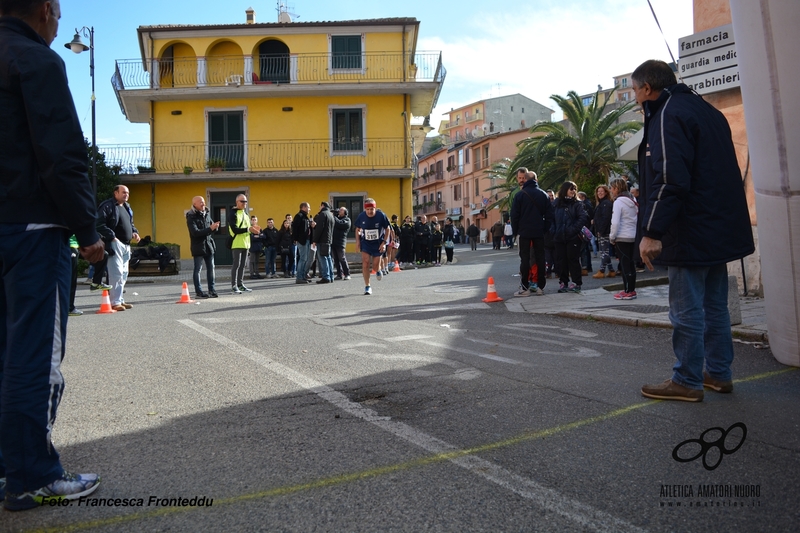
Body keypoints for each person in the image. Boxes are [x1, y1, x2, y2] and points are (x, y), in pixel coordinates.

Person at [0, 0, 106, 510]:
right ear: (44, 10)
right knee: (33, 357)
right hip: (33, 229)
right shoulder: (38, 60)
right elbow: (62, 155)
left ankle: (6, 468)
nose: (59, 23)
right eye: (59, 14)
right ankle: (32, 475)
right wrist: (86, 231)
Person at [632, 60, 755, 403]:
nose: (634, 98)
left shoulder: (668, 114)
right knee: (715, 307)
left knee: (686, 309)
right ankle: (718, 373)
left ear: (646, 89)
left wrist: (652, 231)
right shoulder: (706, 110)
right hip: (716, 228)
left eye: (633, 90)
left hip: (689, 230)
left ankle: (686, 379)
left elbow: (671, 178)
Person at [510, 169, 553, 296]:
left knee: (525, 259)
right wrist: (544, 228)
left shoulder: (520, 195)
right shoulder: (543, 194)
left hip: (524, 232)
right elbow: (550, 215)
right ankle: (540, 287)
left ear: (526, 180)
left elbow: (514, 215)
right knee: (540, 258)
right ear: (536, 180)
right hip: (539, 231)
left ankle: (524, 287)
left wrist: (516, 231)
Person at [96, 185, 140, 311]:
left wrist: (134, 232)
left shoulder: (127, 207)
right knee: (116, 274)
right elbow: (98, 224)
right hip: (115, 244)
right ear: (116, 193)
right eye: (124, 192)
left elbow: (130, 223)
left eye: (128, 193)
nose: (126, 195)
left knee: (124, 274)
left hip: (126, 244)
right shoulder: (108, 206)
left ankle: (119, 299)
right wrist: (112, 237)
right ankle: (114, 302)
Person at [552, 181, 588, 293]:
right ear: (565, 189)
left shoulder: (577, 204)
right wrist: (553, 231)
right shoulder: (555, 204)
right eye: (571, 189)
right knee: (561, 260)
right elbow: (550, 219)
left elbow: (582, 218)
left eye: (574, 189)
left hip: (573, 237)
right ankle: (563, 282)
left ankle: (577, 283)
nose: (573, 191)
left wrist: (572, 230)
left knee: (573, 259)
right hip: (559, 236)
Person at [608, 178, 638, 300]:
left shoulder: (618, 202)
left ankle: (627, 291)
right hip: (633, 235)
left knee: (624, 264)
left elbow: (615, 222)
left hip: (622, 236)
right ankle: (632, 289)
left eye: (611, 188)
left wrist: (612, 237)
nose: (610, 191)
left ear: (616, 188)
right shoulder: (633, 199)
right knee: (631, 264)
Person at [354, 198, 390, 295]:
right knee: (365, 263)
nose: (370, 211)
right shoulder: (361, 216)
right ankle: (367, 286)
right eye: (368, 209)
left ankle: (378, 270)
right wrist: (357, 241)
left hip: (377, 243)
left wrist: (384, 243)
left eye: (372, 209)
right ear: (365, 209)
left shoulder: (381, 216)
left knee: (374, 266)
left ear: (375, 208)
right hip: (366, 243)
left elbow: (387, 229)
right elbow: (357, 229)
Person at [186, 195, 220, 298]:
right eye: (200, 202)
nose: (203, 204)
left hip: (208, 245)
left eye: (203, 201)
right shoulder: (190, 216)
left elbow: (211, 226)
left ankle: (212, 290)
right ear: (194, 204)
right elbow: (195, 232)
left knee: (211, 268)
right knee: (198, 269)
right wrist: (210, 228)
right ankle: (199, 292)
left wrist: (215, 227)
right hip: (198, 246)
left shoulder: (207, 213)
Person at [229, 194, 259, 293]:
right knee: (236, 265)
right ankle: (234, 285)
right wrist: (248, 229)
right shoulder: (233, 213)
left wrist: (253, 230)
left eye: (246, 202)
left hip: (246, 244)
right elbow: (234, 229)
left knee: (242, 266)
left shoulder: (246, 214)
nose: (244, 203)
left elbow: (248, 228)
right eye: (242, 201)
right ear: (237, 202)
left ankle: (240, 284)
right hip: (237, 243)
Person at [592, 184, 616, 279]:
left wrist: (600, 230)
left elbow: (606, 218)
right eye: (598, 191)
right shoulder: (602, 203)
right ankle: (611, 270)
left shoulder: (606, 204)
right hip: (602, 230)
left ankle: (602, 270)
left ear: (606, 192)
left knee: (604, 252)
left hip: (604, 231)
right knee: (604, 251)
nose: (600, 193)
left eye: (602, 191)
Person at [291, 202, 314, 284]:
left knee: (306, 259)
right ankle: (299, 277)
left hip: (307, 240)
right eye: (308, 207)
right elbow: (295, 228)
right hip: (302, 240)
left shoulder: (305, 217)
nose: (309, 209)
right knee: (303, 259)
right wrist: (295, 239)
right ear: (303, 207)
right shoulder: (299, 216)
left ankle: (303, 276)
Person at [312, 201, 335, 284]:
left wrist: (315, 240)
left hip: (322, 240)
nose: (319, 208)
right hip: (328, 240)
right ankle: (331, 276)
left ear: (323, 206)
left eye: (320, 206)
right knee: (328, 257)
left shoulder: (322, 214)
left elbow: (319, 229)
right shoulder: (330, 215)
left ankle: (326, 277)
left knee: (322, 258)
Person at [332, 207, 351, 280]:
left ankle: (347, 273)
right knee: (336, 259)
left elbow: (340, 224)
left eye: (341, 210)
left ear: (345, 212)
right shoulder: (337, 218)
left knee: (342, 258)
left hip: (340, 242)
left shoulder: (347, 220)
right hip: (334, 241)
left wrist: (333, 216)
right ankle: (339, 274)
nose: (339, 211)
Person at [248, 215, 264, 279]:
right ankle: (252, 274)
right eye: (253, 220)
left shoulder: (259, 228)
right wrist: (258, 236)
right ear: (251, 221)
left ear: (257, 221)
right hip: (252, 247)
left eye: (255, 220)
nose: (254, 221)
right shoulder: (250, 228)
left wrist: (258, 236)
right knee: (252, 261)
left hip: (258, 247)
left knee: (257, 261)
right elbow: (251, 238)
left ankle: (257, 273)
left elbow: (263, 236)